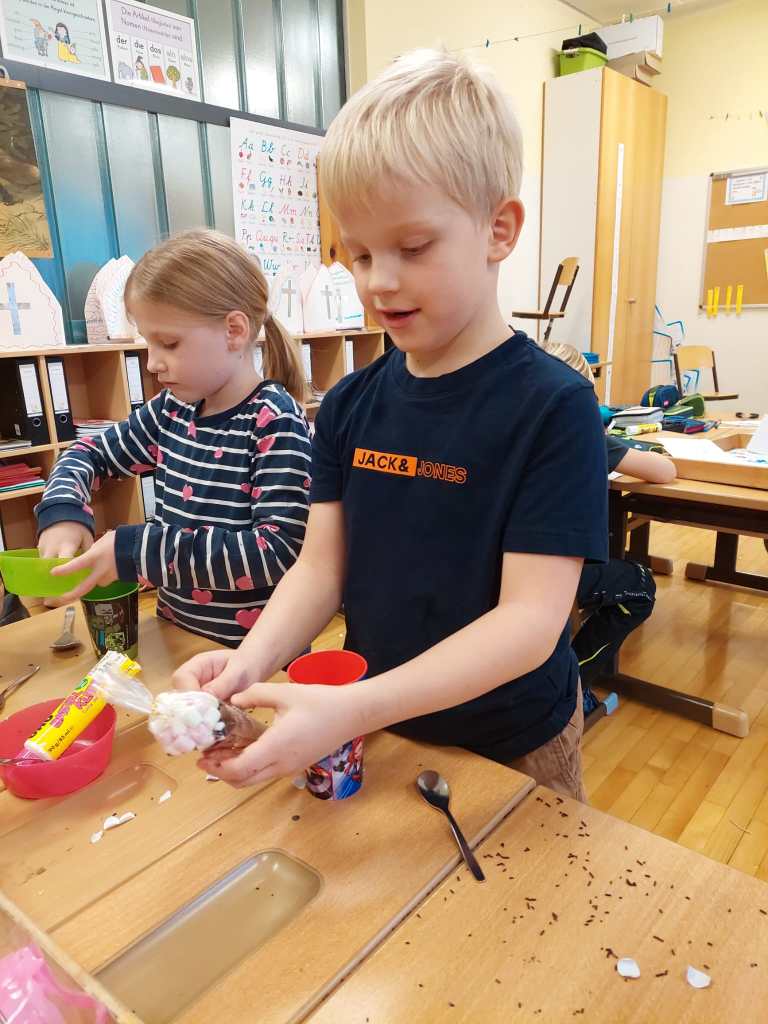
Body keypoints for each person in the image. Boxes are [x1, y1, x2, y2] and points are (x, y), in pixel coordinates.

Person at [173, 50, 609, 801]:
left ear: (499, 229)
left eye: (412, 248)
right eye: (360, 253)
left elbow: (530, 623)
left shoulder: (554, 406)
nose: (378, 280)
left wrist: (354, 707)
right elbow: (320, 569)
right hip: (381, 724)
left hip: (512, 743)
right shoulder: (349, 404)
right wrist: (249, 663)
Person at [36, 230, 312, 646]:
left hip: (258, 658)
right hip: (178, 639)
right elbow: (88, 452)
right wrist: (63, 510)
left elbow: (275, 552)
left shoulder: (273, 420)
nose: (152, 363)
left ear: (234, 330)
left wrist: (138, 550)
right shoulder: (171, 410)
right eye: (148, 342)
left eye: (168, 343)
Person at [543, 342, 677, 712]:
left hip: (496, 568)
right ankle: (572, 686)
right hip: (555, 575)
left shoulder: (509, 428)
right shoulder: (584, 437)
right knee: (641, 585)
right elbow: (665, 471)